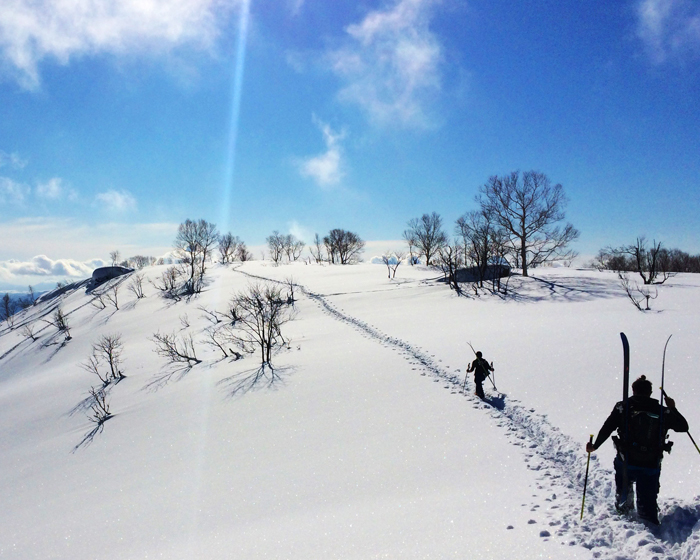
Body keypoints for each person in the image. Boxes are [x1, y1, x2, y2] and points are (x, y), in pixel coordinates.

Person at [586, 375, 689, 524]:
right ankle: (649, 519)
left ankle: (624, 511)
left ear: (633, 391)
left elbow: (607, 428)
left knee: (623, 491)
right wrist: (672, 408)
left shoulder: (622, 407)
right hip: (651, 463)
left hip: (626, 460)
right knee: (647, 503)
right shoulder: (661, 411)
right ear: (651, 392)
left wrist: (594, 446)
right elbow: (683, 427)